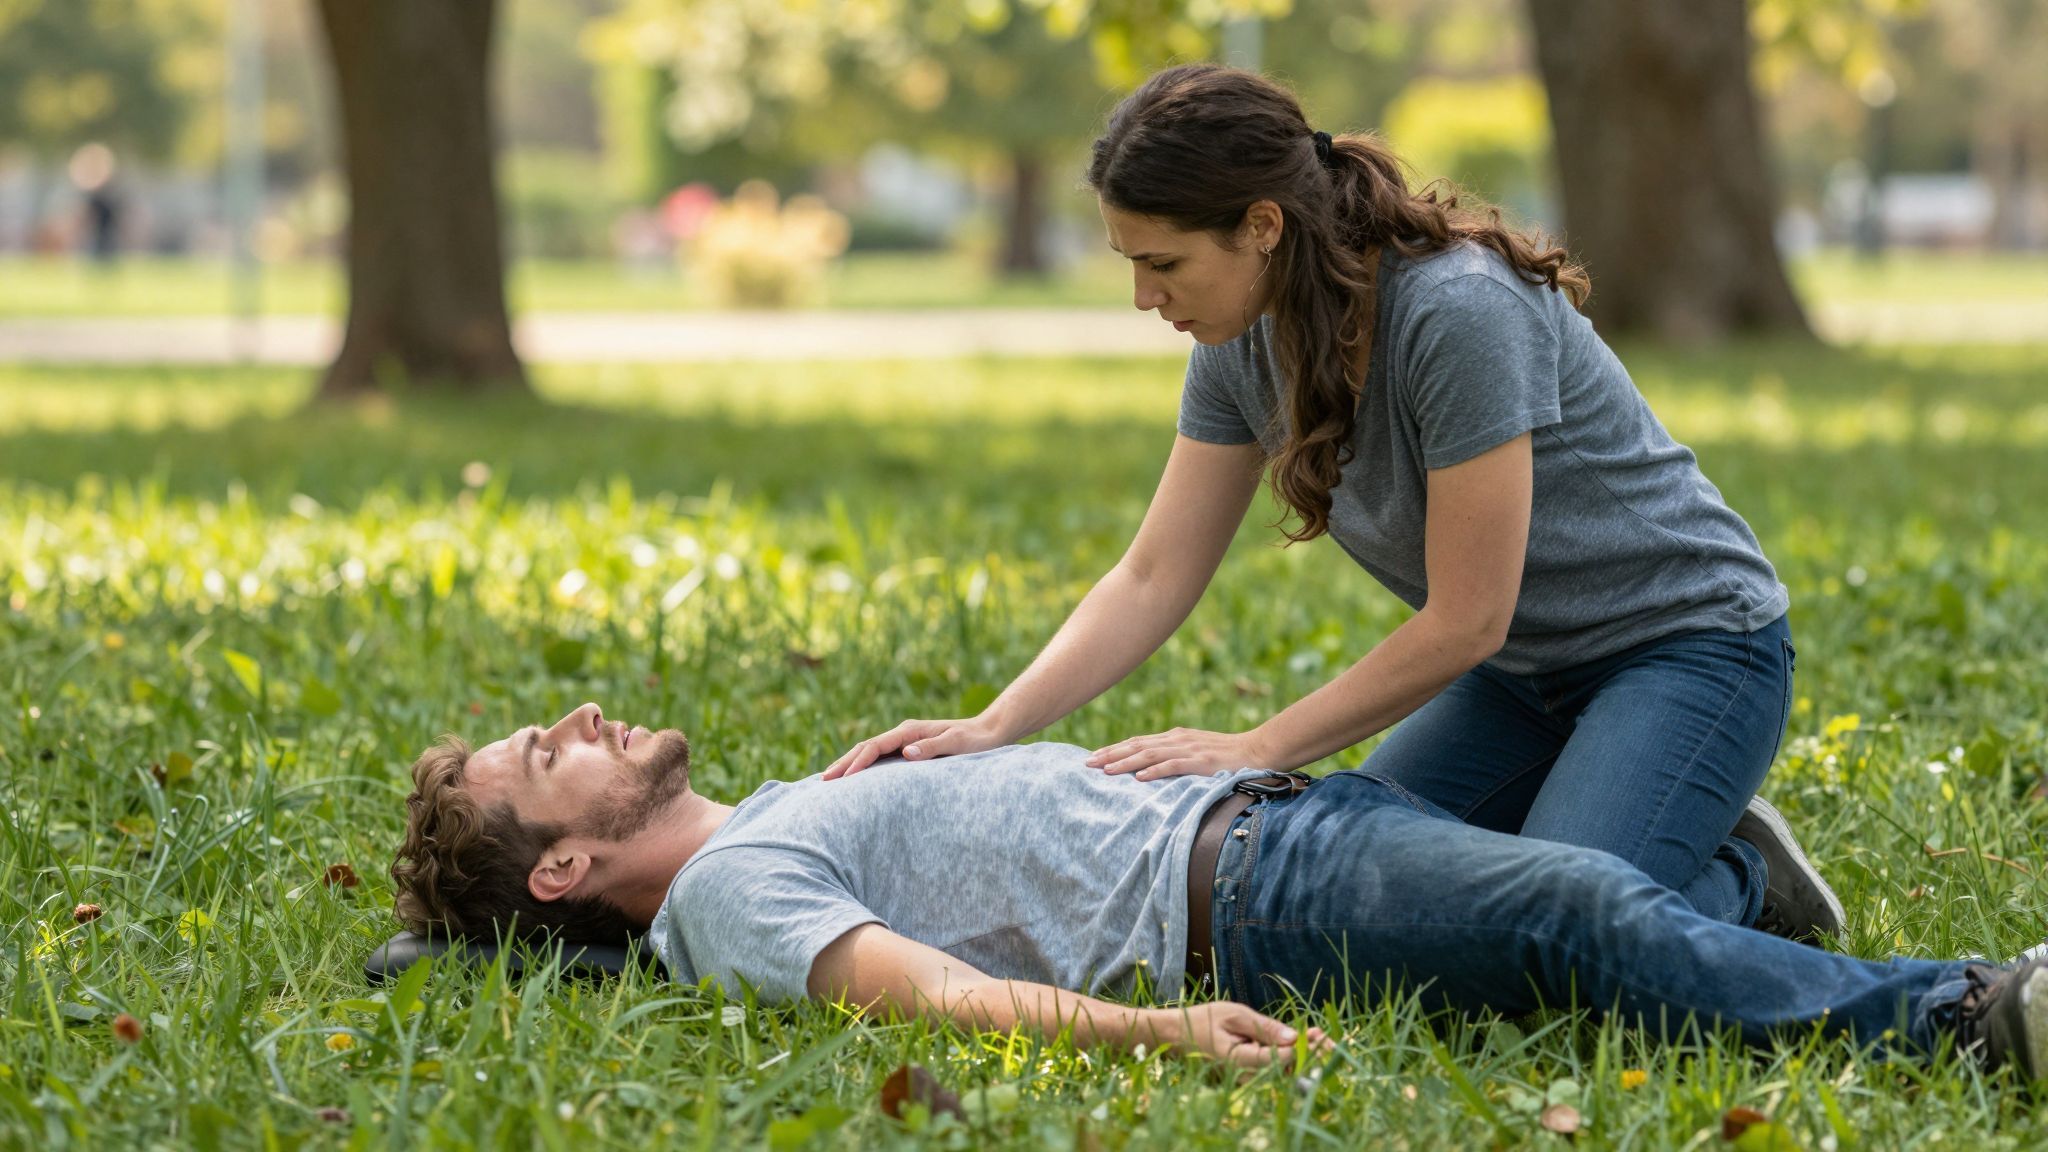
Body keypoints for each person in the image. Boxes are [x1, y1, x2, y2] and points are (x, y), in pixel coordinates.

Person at [824, 63, 1839, 942]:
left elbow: (1466, 618)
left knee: (1550, 931)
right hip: (1523, 679)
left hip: (1687, 650)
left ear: (1260, 226)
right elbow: (1151, 572)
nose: (1144, 297)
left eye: (1161, 263)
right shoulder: (1236, 344)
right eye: (1129, 264)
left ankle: (1743, 880)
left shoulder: (1456, 310)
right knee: (1353, 910)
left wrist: (1257, 746)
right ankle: (1641, 824)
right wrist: (995, 723)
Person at [389, 702, 2048, 1078]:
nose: (581, 715)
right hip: (1254, 894)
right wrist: (1163, 1029)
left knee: (1583, 899)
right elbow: (931, 993)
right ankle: (1969, 1015)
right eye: (547, 752)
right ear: (565, 861)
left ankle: (1726, 883)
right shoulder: (729, 905)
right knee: (1580, 918)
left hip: (1267, 827)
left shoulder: (767, 820)